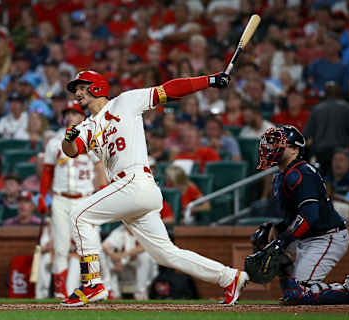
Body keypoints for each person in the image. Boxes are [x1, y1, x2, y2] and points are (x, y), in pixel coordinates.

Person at [60, 70, 248, 306]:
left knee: (78, 214)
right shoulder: (87, 126)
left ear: (96, 87)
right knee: (165, 253)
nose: (76, 93)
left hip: (134, 181)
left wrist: (209, 81)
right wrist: (68, 139)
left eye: (80, 87)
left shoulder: (125, 102)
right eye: (75, 89)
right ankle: (229, 277)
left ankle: (92, 284)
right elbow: (73, 150)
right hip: (131, 191)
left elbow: (169, 89)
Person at [257, 125, 349, 305]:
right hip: (307, 236)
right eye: (273, 144)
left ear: (295, 149)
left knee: (301, 295)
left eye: (281, 144)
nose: (274, 147)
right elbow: (295, 215)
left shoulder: (301, 172)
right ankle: (291, 288)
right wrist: (279, 228)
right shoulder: (281, 175)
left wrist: (283, 240)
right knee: (263, 236)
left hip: (326, 236)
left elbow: (310, 215)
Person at [39, 100, 108, 299]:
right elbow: (47, 171)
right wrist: (43, 196)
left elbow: (99, 166)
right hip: (61, 199)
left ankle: (94, 287)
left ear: (82, 116)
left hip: (84, 199)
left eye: (75, 114)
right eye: (68, 114)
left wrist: (102, 190)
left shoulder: (91, 136)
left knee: (89, 245)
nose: (71, 117)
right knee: (60, 247)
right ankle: (61, 292)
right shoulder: (55, 141)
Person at [303, 82, 349, 176]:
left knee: (324, 179)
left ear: (325, 93)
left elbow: (306, 133)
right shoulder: (346, 107)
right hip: (341, 152)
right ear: (339, 92)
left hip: (321, 153)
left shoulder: (317, 108)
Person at [102, 225, 158, 300]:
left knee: (145, 256)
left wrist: (125, 255)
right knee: (106, 257)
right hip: (123, 267)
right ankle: (113, 293)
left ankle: (140, 293)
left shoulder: (144, 229)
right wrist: (114, 256)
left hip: (141, 269)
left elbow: (146, 246)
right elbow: (104, 246)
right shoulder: (120, 230)